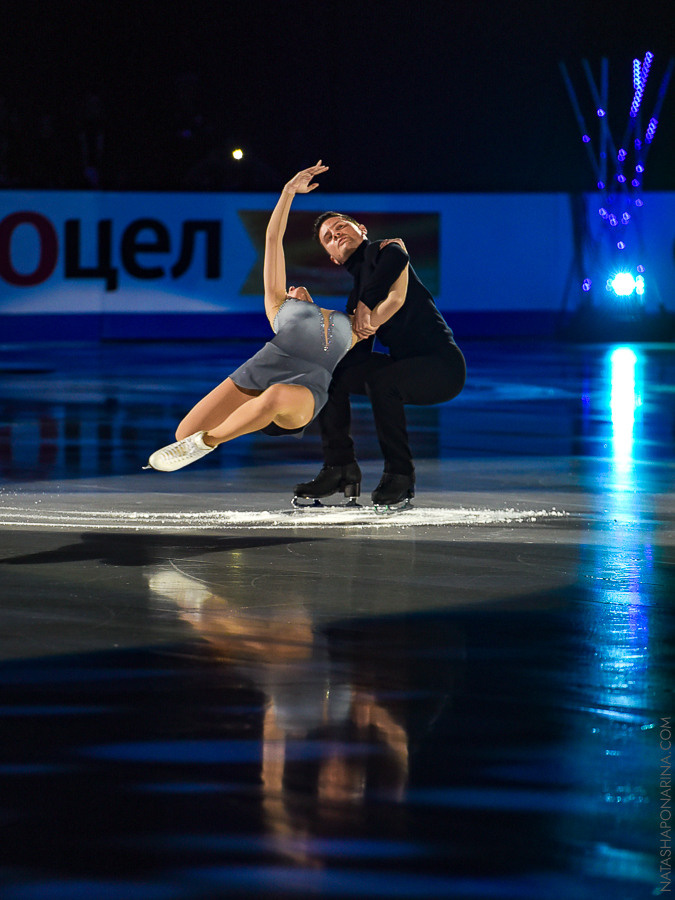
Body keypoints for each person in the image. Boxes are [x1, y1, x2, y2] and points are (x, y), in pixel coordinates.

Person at [146, 162, 408, 474]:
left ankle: (209, 441)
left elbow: (396, 299)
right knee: (183, 432)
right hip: (256, 373)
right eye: (289, 288)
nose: (293, 286)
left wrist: (400, 255)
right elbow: (273, 240)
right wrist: (288, 192)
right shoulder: (278, 306)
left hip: (304, 391)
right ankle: (208, 433)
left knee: (275, 395)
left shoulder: (352, 326)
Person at [293, 209, 467, 508]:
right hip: (407, 367)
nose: (336, 234)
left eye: (340, 227)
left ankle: (400, 475)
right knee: (333, 371)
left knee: (382, 380)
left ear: (361, 229)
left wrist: (365, 303)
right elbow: (353, 352)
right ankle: (339, 466)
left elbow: (398, 256)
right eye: (328, 238)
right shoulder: (358, 290)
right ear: (333, 259)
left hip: (442, 367)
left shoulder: (380, 252)